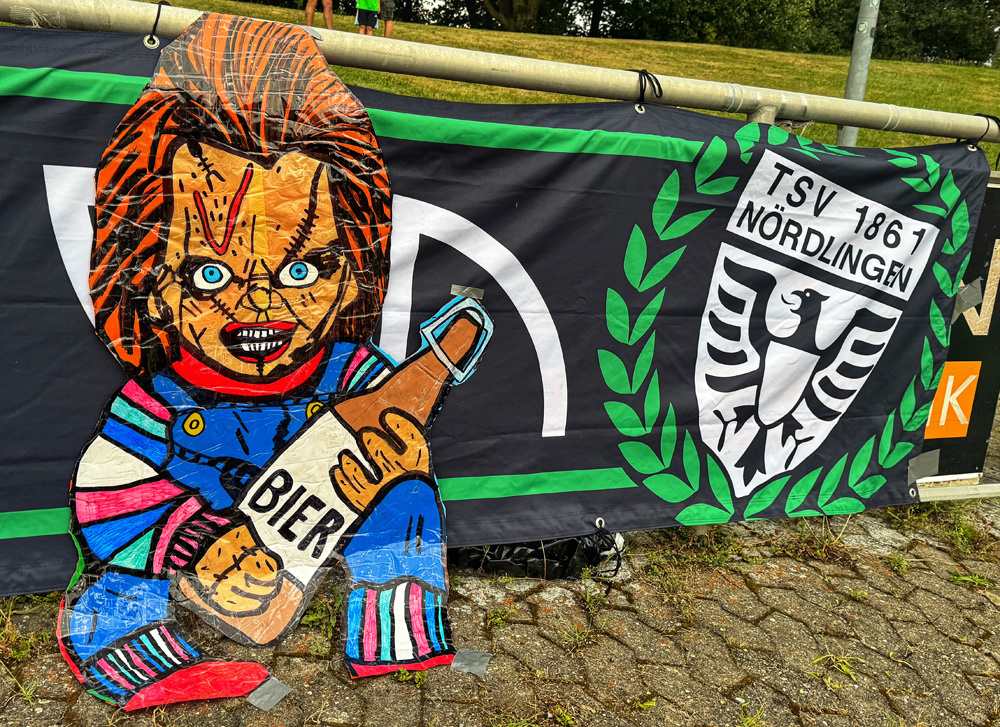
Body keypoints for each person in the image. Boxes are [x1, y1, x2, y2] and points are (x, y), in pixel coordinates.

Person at [57, 13, 488, 711]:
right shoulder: (160, 400)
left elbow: (396, 422)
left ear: (351, 274)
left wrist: (401, 456)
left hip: (309, 541)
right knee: (124, 574)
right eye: (209, 275)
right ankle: (128, 649)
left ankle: (396, 627)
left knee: (407, 502)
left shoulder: (352, 376)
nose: (259, 306)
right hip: (197, 540)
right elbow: (107, 483)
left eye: (302, 270)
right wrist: (192, 541)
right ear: (151, 282)